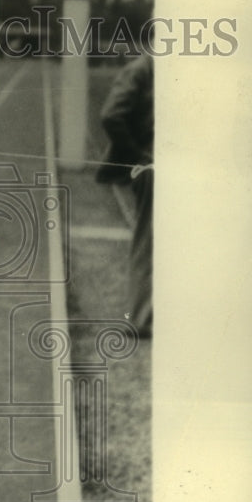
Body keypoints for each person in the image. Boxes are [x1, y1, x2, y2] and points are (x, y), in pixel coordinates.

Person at [96, 51, 154, 337]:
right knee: (150, 238)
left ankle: (149, 313)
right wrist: (137, 157)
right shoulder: (143, 68)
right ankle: (141, 318)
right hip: (152, 166)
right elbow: (111, 115)